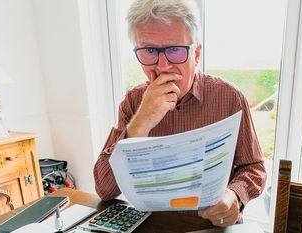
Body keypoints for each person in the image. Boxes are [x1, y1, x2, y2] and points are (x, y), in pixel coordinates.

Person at [93, 0, 266, 227]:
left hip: (211, 224)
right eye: (150, 50)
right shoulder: (134, 102)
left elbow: (254, 167)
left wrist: (234, 196)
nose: (163, 66)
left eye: (175, 50)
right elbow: (105, 189)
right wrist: (140, 123)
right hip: (152, 224)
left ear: (196, 54)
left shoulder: (230, 98)